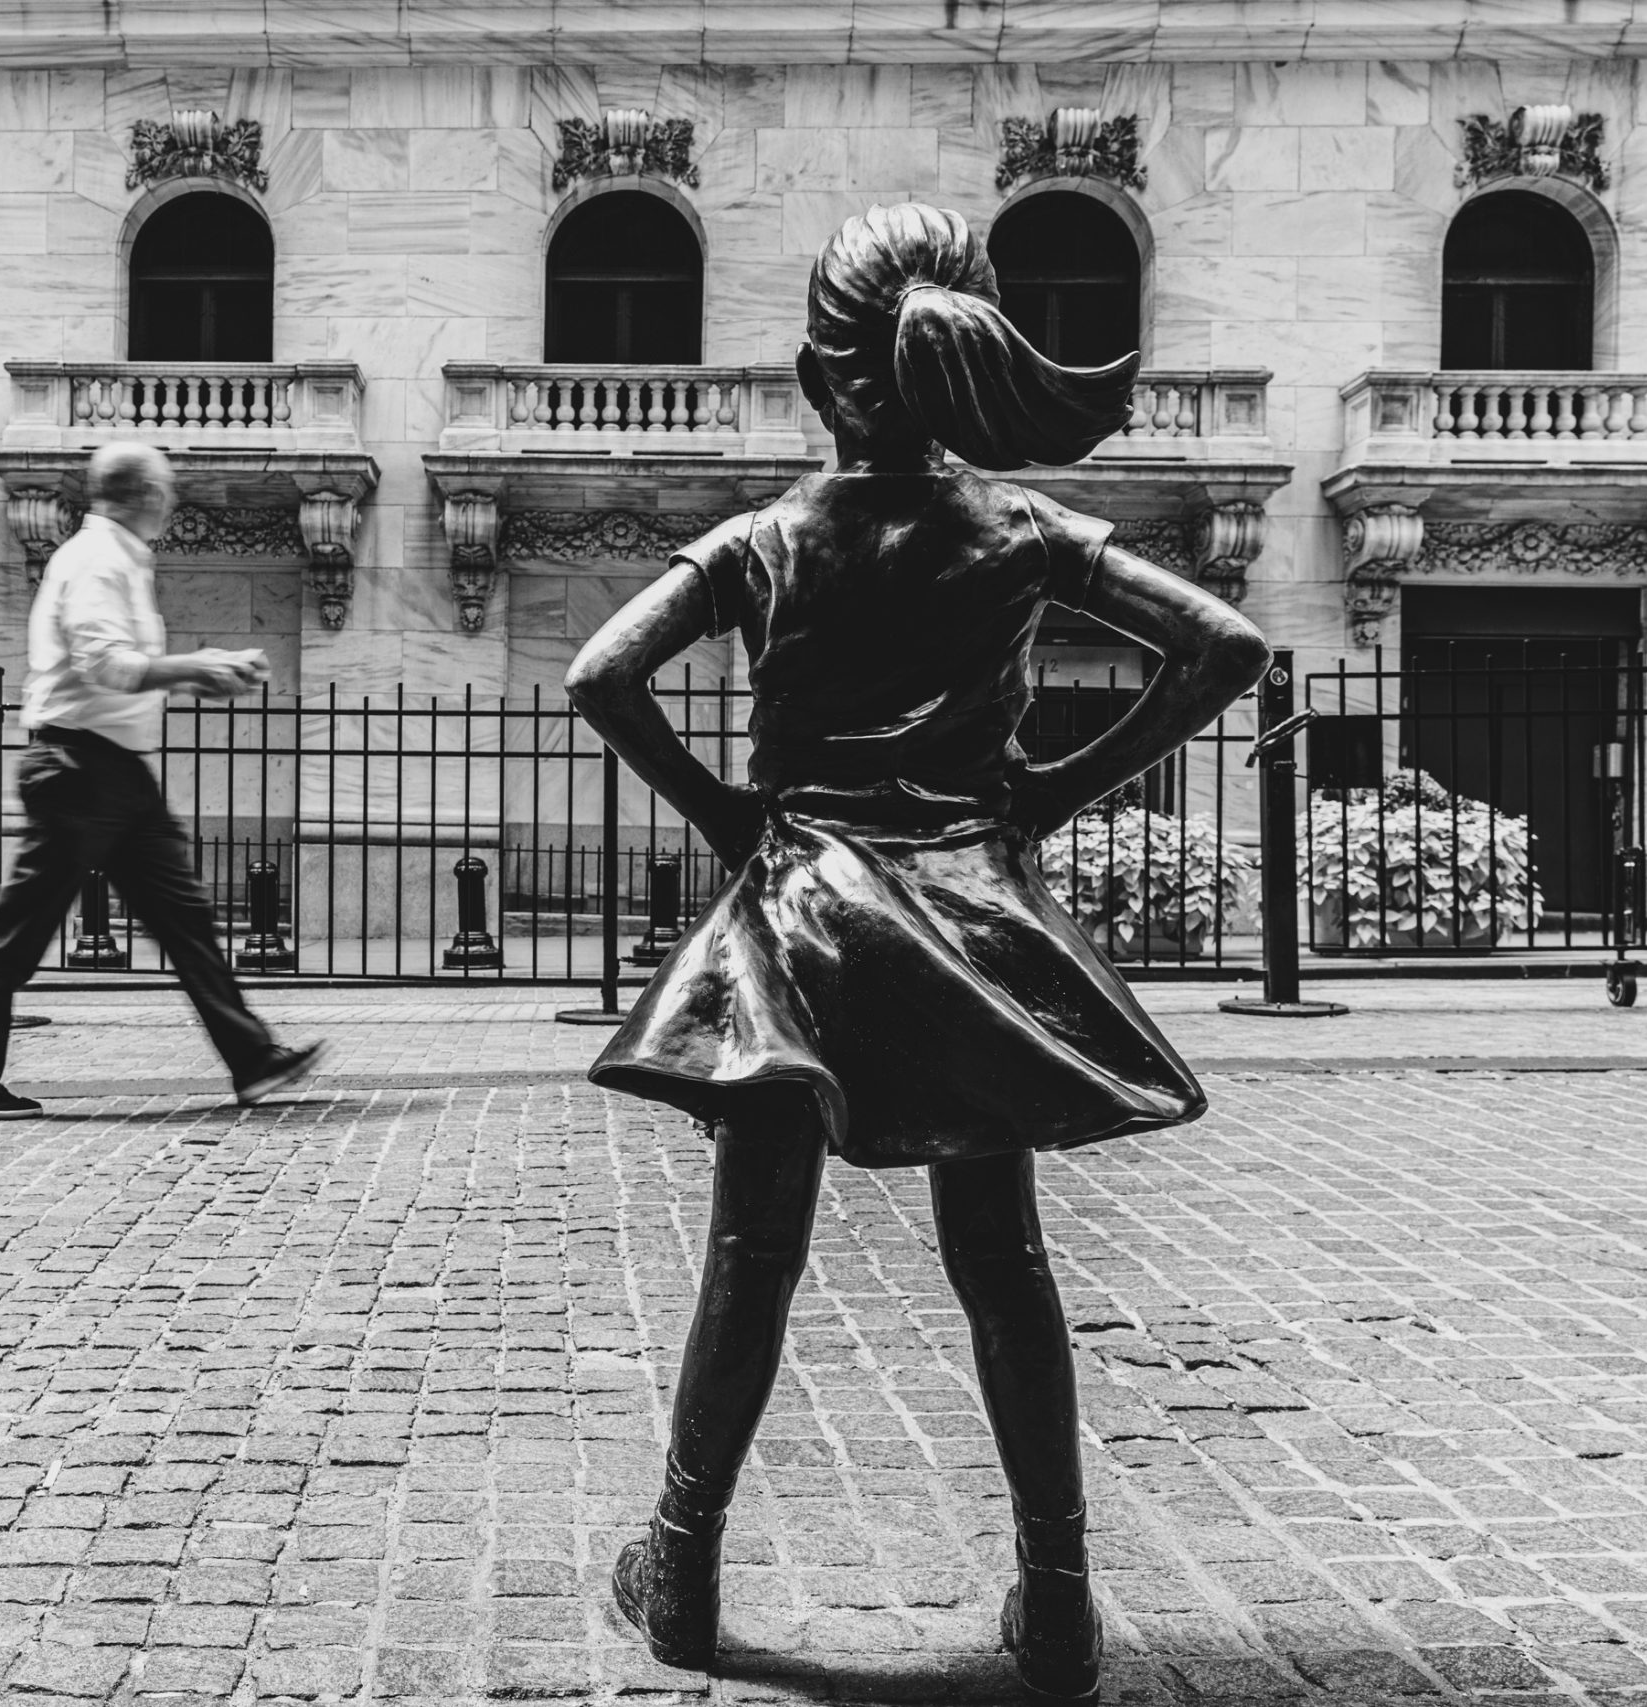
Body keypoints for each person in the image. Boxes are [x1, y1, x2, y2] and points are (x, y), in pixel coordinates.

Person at [563, 204, 1269, 1706]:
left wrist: (727, 813)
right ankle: (1062, 1600)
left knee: (752, 1253)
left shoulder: (774, 533)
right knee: (1001, 1263)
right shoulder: (1016, 527)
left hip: (801, 913)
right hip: (968, 917)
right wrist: (1059, 787)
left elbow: (602, 672)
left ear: (825, 372)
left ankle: (680, 1570)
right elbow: (1226, 649)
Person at [0, 441, 322, 1119]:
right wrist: (194, 666)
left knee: (187, 920)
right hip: (77, 769)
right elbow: (106, 664)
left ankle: (253, 1059)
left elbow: (122, 673)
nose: (172, 501)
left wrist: (189, 678)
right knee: (21, 929)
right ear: (144, 492)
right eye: (166, 488)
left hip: (115, 771)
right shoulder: (95, 561)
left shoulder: (120, 561)